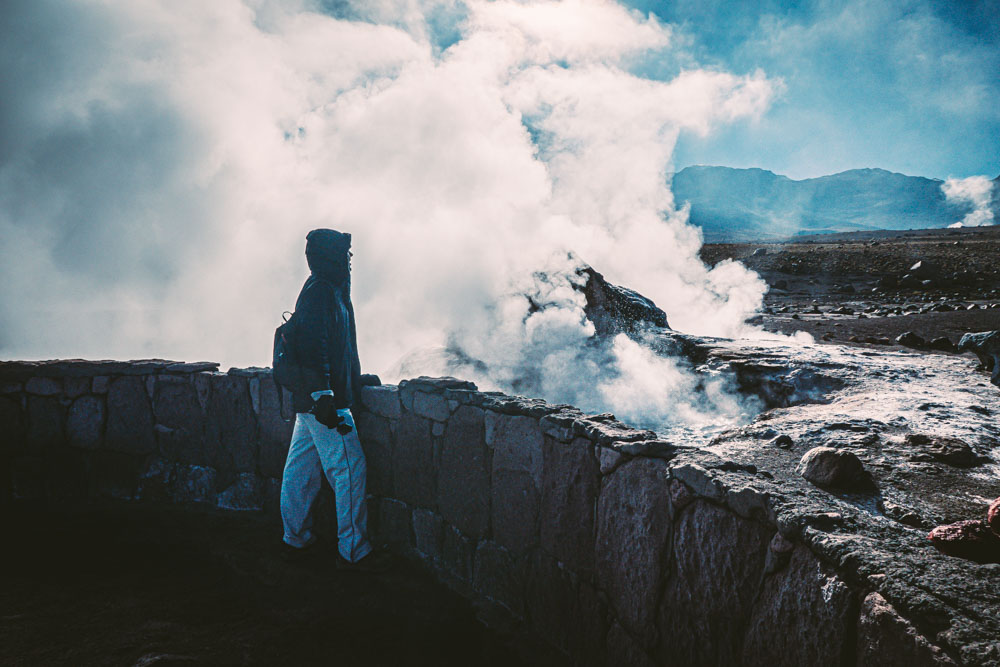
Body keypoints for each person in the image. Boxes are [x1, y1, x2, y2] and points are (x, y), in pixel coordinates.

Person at [279, 228, 390, 572]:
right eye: (345, 255)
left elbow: (336, 348)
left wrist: (353, 380)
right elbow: (317, 349)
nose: (349, 261)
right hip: (324, 403)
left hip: (311, 400)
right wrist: (325, 396)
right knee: (350, 470)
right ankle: (354, 550)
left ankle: (295, 538)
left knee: (302, 471)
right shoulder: (323, 294)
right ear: (331, 257)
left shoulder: (324, 289)